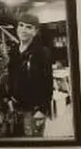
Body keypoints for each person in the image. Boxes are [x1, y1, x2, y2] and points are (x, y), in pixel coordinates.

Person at [6, 8, 53, 137]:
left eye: (29, 27)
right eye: (21, 25)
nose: (23, 30)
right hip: (15, 108)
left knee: (33, 144)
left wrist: (42, 109)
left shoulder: (42, 53)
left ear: (35, 31)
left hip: (33, 111)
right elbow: (11, 76)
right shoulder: (14, 51)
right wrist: (9, 98)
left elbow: (48, 84)